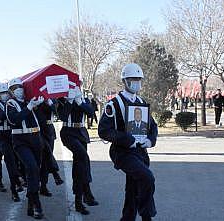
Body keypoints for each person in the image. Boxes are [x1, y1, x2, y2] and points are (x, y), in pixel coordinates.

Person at [98, 63, 158, 221]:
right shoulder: (113, 104)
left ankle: (127, 218)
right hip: (123, 152)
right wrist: (127, 140)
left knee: (132, 188)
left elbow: (153, 126)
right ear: (124, 81)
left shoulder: (141, 102)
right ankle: (147, 215)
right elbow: (103, 131)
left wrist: (150, 140)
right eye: (133, 79)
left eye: (139, 79)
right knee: (147, 178)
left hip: (140, 152)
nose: (136, 82)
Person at [6, 78, 44, 219]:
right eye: (15, 88)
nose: (19, 89)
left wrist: (39, 105)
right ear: (11, 91)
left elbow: (43, 119)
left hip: (36, 139)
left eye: (20, 87)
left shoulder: (30, 101)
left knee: (35, 172)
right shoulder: (11, 103)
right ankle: (36, 204)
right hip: (21, 141)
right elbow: (14, 120)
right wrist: (29, 107)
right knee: (32, 168)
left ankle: (30, 203)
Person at [57, 86, 98, 215]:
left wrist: (80, 102)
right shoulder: (62, 100)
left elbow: (91, 113)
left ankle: (84, 194)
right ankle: (81, 197)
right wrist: (69, 101)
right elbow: (62, 116)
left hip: (81, 132)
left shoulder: (83, 99)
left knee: (80, 162)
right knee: (83, 158)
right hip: (68, 132)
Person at [0, 82, 23, 202]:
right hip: (1, 136)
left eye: (7, 93)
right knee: (10, 160)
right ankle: (14, 189)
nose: (5, 95)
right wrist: (9, 109)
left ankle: (18, 181)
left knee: (17, 160)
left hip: (13, 134)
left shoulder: (13, 104)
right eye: (3, 93)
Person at [36, 98, 64, 197]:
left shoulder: (53, 100)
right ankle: (55, 173)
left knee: (46, 160)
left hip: (49, 130)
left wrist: (50, 103)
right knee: (47, 152)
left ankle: (43, 186)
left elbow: (57, 113)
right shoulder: (35, 99)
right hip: (38, 130)